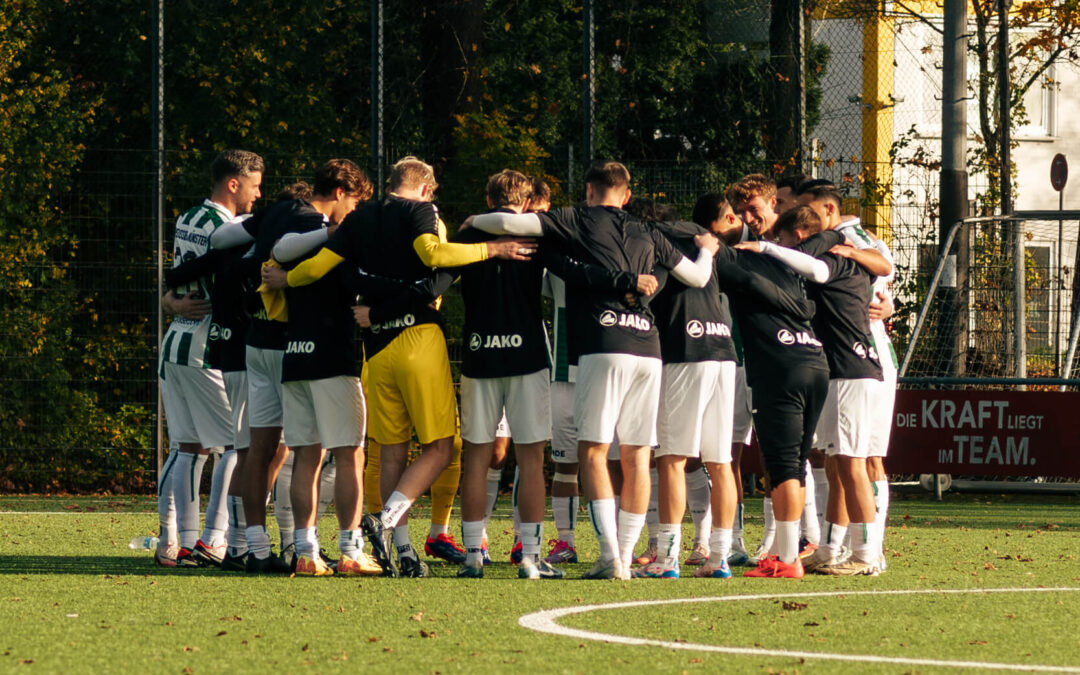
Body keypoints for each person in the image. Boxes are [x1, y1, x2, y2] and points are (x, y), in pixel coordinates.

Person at [262, 156, 532, 577]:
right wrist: (490, 249)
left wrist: (286, 280)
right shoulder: (422, 212)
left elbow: (319, 267)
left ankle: (402, 551)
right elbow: (432, 255)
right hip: (418, 340)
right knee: (442, 447)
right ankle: (384, 521)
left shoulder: (359, 216)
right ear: (425, 189)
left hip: (377, 350)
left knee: (390, 452)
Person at [467, 160, 717, 580]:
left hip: (604, 345)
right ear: (627, 194)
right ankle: (624, 553)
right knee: (638, 455)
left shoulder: (574, 218)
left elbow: (516, 224)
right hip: (648, 348)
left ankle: (609, 557)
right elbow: (695, 276)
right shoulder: (648, 230)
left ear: (588, 191)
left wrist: (475, 220)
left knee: (593, 452)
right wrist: (707, 248)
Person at [263, 159, 381, 576]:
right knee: (351, 455)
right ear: (341, 192)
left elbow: (279, 252)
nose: (355, 212)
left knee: (306, 457)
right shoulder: (337, 238)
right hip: (332, 357)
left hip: (296, 354)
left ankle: (305, 551)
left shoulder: (298, 234)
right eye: (355, 201)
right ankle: (351, 549)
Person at [711, 208, 840, 578]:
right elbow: (824, 238)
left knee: (781, 466)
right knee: (796, 464)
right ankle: (790, 551)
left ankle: (786, 559)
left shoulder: (739, 260)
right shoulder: (792, 263)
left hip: (779, 367)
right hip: (816, 362)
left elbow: (747, 284)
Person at [759, 205, 886, 577]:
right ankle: (832, 548)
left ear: (798, 237)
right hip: (842, 372)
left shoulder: (832, 262)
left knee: (853, 463)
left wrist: (767, 251)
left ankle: (867, 555)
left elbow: (812, 266)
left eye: (782, 239)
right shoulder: (842, 257)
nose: (778, 245)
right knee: (837, 462)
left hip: (852, 371)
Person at [157, 149, 262, 568]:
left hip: (175, 344)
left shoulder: (188, 218)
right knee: (236, 445)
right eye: (254, 184)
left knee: (187, 448)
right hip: (206, 344)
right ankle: (215, 539)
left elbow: (180, 276)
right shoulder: (228, 226)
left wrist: (170, 300)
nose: (259, 193)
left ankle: (173, 542)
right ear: (233, 183)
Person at [636, 214, 740, 580]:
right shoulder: (702, 241)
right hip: (724, 353)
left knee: (671, 459)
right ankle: (720, 558)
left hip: (686, 352)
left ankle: (667, 559)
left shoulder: (655, 242)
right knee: (720, 461)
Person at [727, 173, 780, 241]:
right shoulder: (749, 244)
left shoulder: (795, 239)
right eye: (742, 212)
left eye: (753, 209)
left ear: (773, 202)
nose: (748, 219)